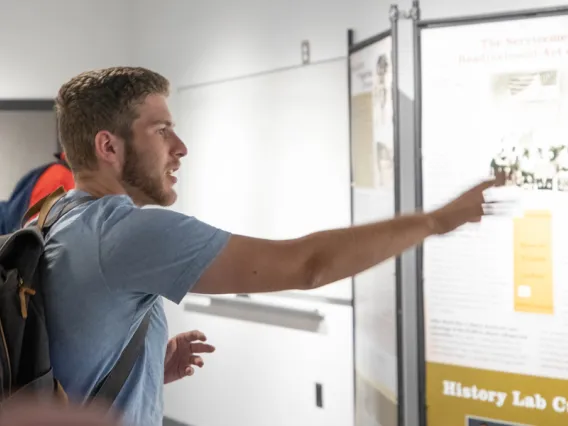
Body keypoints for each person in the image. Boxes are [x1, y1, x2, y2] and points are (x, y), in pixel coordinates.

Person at [43, 66, 502, 426]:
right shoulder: (127, 233)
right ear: (108, 145)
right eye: (161, 130)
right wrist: (437, 220)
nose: (180, 147)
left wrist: (143, 369)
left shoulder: (55, 216)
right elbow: (308, 265)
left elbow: (67, 352)